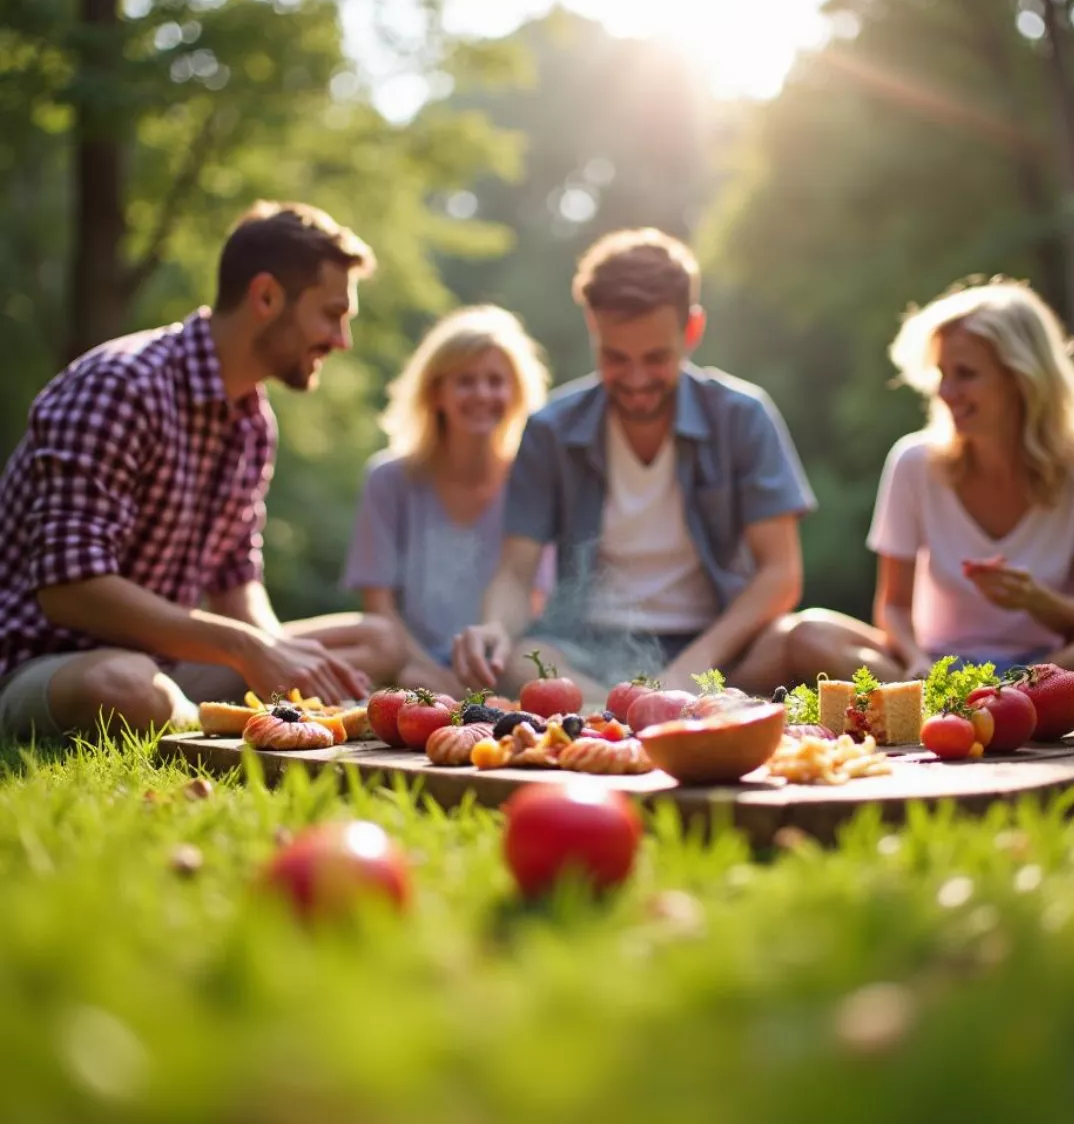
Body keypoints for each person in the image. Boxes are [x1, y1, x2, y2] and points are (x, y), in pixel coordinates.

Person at [0, 200, 404, 741]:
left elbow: (236, 581)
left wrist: (283, 661)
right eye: (332, 314)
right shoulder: (119, 385)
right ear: (266, 297)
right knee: (125, 686)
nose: (341, 340)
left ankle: (229, 715)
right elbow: (70, 589)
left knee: (378, 639)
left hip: (166, 658)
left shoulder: (254, 422)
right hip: (49, 664)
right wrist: (247, 648)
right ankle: (214, 726)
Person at [451, 227, 819, 705]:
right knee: (523, 659)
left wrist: (692, 668)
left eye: (656, 358)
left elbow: (780, 574)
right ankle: (629, 713)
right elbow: (517, 573)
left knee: (812, 636)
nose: (637, 380)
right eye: (615, 358)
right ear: (592, 325)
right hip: (588, 648)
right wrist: (494, 628)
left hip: (718, 649)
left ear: (692, 329)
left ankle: (615, 713)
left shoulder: (743, 416)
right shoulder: (550, 430)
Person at [787, 278, 1074, 702]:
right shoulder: (913, 461)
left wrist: (1034, 599)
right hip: (934, 665)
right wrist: (916, 658)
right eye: (941, 374)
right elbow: (894, 607)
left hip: (1051, 663)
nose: (945, 392)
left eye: (965, 375)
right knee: (810, 634)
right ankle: (992, 703)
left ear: (1022, 378)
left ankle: (995, 699)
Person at [341, 305, 552, 696]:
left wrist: (485, 675)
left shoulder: (534, 482)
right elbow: (379, 607)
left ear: (517, 392)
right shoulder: (388, 480)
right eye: (466, 381)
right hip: (407, 667)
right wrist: (431, 677)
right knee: (372, 646)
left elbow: (532, 603)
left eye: (495, 381)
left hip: (500, 668)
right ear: (436, 392)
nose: (482, 394)